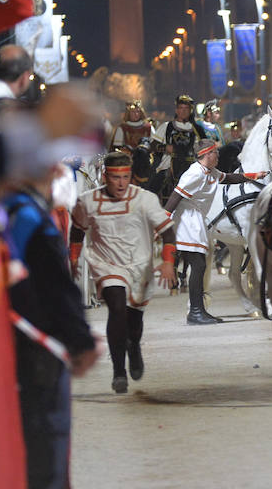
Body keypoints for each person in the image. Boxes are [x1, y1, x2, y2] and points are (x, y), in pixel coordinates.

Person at [3, 164, 101, 488]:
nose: (60, 171)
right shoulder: (27, 216)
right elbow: (54, 286)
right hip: (33, 349)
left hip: (20, 347)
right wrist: (80, 340)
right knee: (41, 447)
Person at [70, 151, 176, 393]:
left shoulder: (146, 199)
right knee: (117, 309)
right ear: (105, 176)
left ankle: (134, 346)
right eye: (116, 177)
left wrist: (168, 262)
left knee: (134, 319)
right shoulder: (87, 201)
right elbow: (76, 230)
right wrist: (74, 258)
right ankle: (119, 372)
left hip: (140, 265)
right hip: (106, 264)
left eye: (126, 177)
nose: (121, 183)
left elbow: (168, 231)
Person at [163, 139, 267, 324]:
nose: (218, 155)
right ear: (207, 154)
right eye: (215, 153)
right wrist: (162, 222)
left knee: (200, 266)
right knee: (199, 266)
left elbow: (228, 178)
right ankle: (195, 312)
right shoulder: (195, 173)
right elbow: (175, 196)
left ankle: (198, 310)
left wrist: (254, 175)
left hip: (196, 219)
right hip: (187, 220)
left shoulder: (210, 171)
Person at [152, 94, 206, 201]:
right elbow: (153, 145)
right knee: (153, 187)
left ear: (191, 110)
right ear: (176, 110)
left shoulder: (198, 129)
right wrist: (165, 147)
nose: (183, 111)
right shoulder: (167, 126)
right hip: (168, 164)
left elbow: (205, 147)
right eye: (181, 108)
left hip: (192, 165)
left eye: (186, 108)